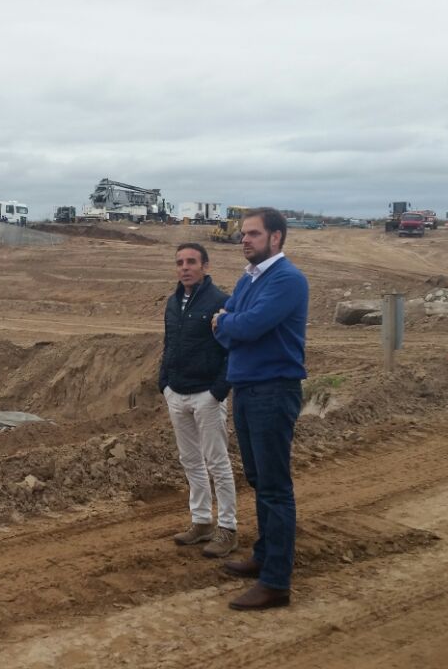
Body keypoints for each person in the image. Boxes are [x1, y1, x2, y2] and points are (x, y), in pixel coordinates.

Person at [212, 207, 309, 611]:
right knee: (257, 479)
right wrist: (230, 324)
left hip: (273, 390)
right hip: (247, 388)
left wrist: (229, 323)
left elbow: (243, 325)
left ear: (276, 238)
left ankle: (276, 582)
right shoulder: (248, 278)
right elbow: (224, 329)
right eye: (242, 234)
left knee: (274, 487)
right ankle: (265, 555)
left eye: (253, 234)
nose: (244, 240)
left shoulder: (287, 280)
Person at [158, 242, 237, 558]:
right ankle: (201, 521)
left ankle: (228, 529)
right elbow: (169, 344)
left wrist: (218, 390)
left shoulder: (222, 302)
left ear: (205, 266)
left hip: (206, 394)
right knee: (189, 460)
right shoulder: (172, 303)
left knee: (217, 462)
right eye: (179, 262)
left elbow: (233, 350)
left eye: (191, 262)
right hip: (176, 393)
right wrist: (164, 383)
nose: (184, 267)